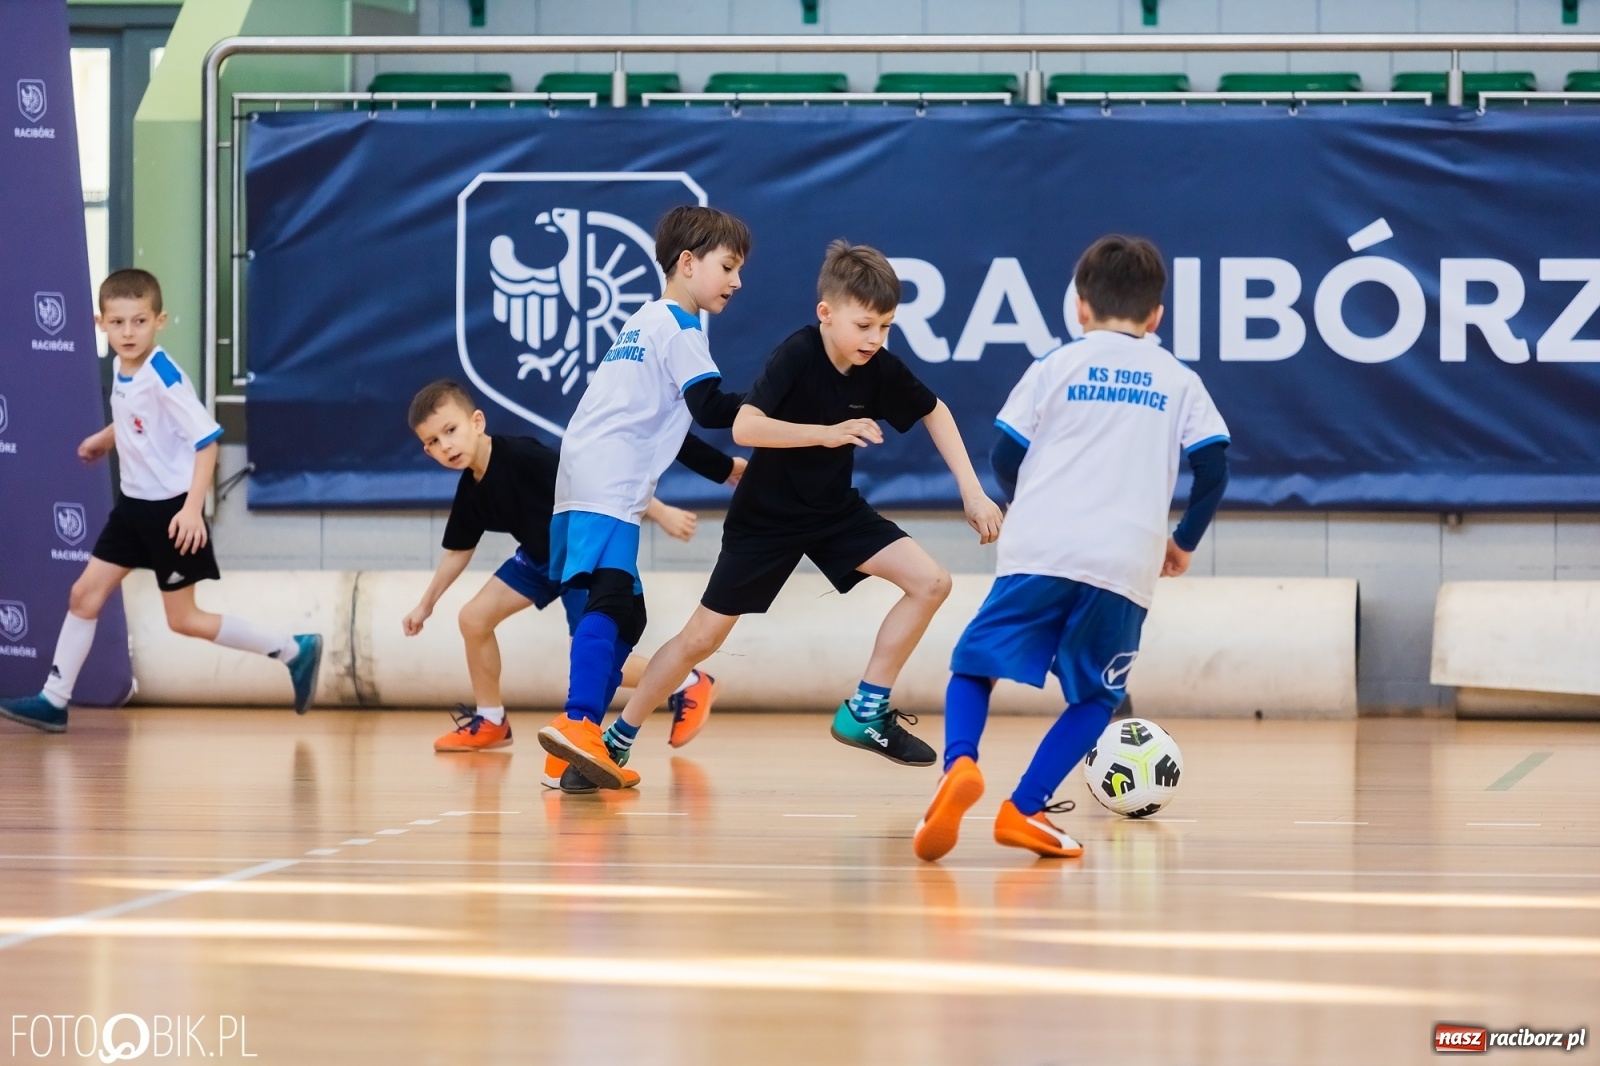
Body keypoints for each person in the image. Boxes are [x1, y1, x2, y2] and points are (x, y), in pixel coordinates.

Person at [610, 240, 1003, 778]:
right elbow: (746, 427)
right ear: (826, 313)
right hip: (765, 518)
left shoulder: (879, 368)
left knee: (931, 581)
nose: (875, 339)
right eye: (864, 325)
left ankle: (866, 710)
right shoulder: (796, 353)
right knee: (701, 638)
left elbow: (936, 411)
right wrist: (829, 434)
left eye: (885, 327)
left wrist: (972, 491)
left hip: (833, 511)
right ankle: (619, 735)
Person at [911, 234, 1230, 862]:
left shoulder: (1054, 366)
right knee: (1095, 698)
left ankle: (960, 766)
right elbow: (1213, 468)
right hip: (1123, 559)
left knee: (974, 664)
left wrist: (1030, 501)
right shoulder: (1178, 380)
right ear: (1157, 315)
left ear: (1080, 307)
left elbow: (1005, 452)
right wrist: (1183, 541)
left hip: (1038, 547)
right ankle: (1024, 808)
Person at [0, 269, 323, 733]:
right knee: (83, 596)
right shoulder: (120, 365)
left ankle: (293, 649)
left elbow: (208, 441)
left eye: (139, 321)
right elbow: (135, 417)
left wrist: (192, 509)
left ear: (160, 321)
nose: (128, 333)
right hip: (132, 509)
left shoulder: (164, 375)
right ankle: (54, 700)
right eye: (118, 323)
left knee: (184, 619)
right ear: (101, 323)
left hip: (171, 513)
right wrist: (105, 439)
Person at [400, 379, 740, 789]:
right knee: (474, 619)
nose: (446, 446)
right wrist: (425, 605)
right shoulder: (471, 488)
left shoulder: (523, 455)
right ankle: (491, 720)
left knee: (587, 655)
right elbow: (458, 550)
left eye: (450, 430)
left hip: (581, 554)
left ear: (477, 421)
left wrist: (661, 512)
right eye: (433, 442)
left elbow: (594, 479)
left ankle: (688, 682)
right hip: (540, 560)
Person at [535, 205, 752, 790]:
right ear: (687, 263)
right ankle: (579, 726)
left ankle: (573, 752)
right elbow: (710, 408)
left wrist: (728, 470)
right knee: (608, 598)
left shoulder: (646, 321)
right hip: (609, 481)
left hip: (587, 477)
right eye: (727, 267)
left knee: (628, 613)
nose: (736, 281)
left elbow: (673, 427)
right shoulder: (680, 326)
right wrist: (781, 403)